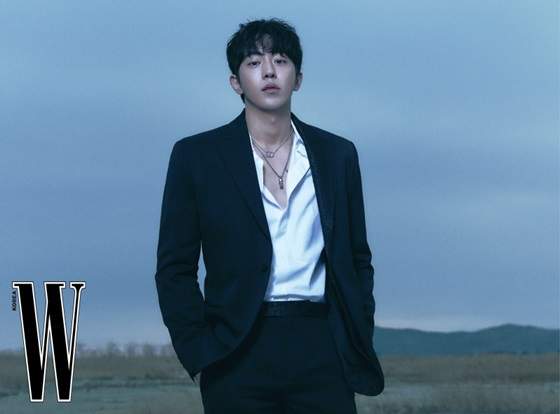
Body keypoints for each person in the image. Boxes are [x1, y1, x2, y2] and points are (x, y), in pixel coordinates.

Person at [155, 17, 384, 414]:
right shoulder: (197, 157)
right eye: (253, 62)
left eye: (280, 60)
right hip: (235, 349)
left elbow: (357, 256)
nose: (268, 71)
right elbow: (174, 267)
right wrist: (199, 349)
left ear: (298, 79)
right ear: (235, 82)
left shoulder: (337, 155)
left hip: (322, 345)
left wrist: (357, 327)